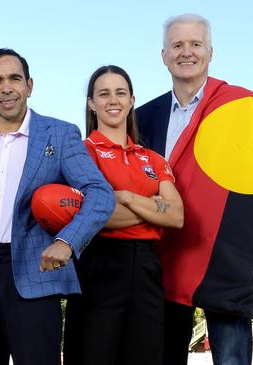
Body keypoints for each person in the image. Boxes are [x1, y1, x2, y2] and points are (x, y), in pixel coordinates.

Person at [136, 14, 253, 365]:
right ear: (164, 55)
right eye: (178, 45)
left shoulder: (238, 105)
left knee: (231, 358)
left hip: (227, 254)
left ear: (210, 52)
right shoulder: (144, 117)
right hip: (165, 256)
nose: (187, 52)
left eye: (196, 44)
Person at [0, 48, 115, 365]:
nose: (6, 87)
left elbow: (101, 193)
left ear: (29, 85)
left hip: (35, 273)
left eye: (14, 78)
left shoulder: (59, 133)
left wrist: (66, 240)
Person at [63, 65, 183, 365]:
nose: (112, 100)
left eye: (120, 92)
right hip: (98, 263)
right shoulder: (81, 153)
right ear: (91, 102)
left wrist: (126, 198)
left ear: (132, 100)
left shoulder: (153, 158)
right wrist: (153, 208)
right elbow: (98, 218)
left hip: (146, 267)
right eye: (103, 93)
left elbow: (177, 215)